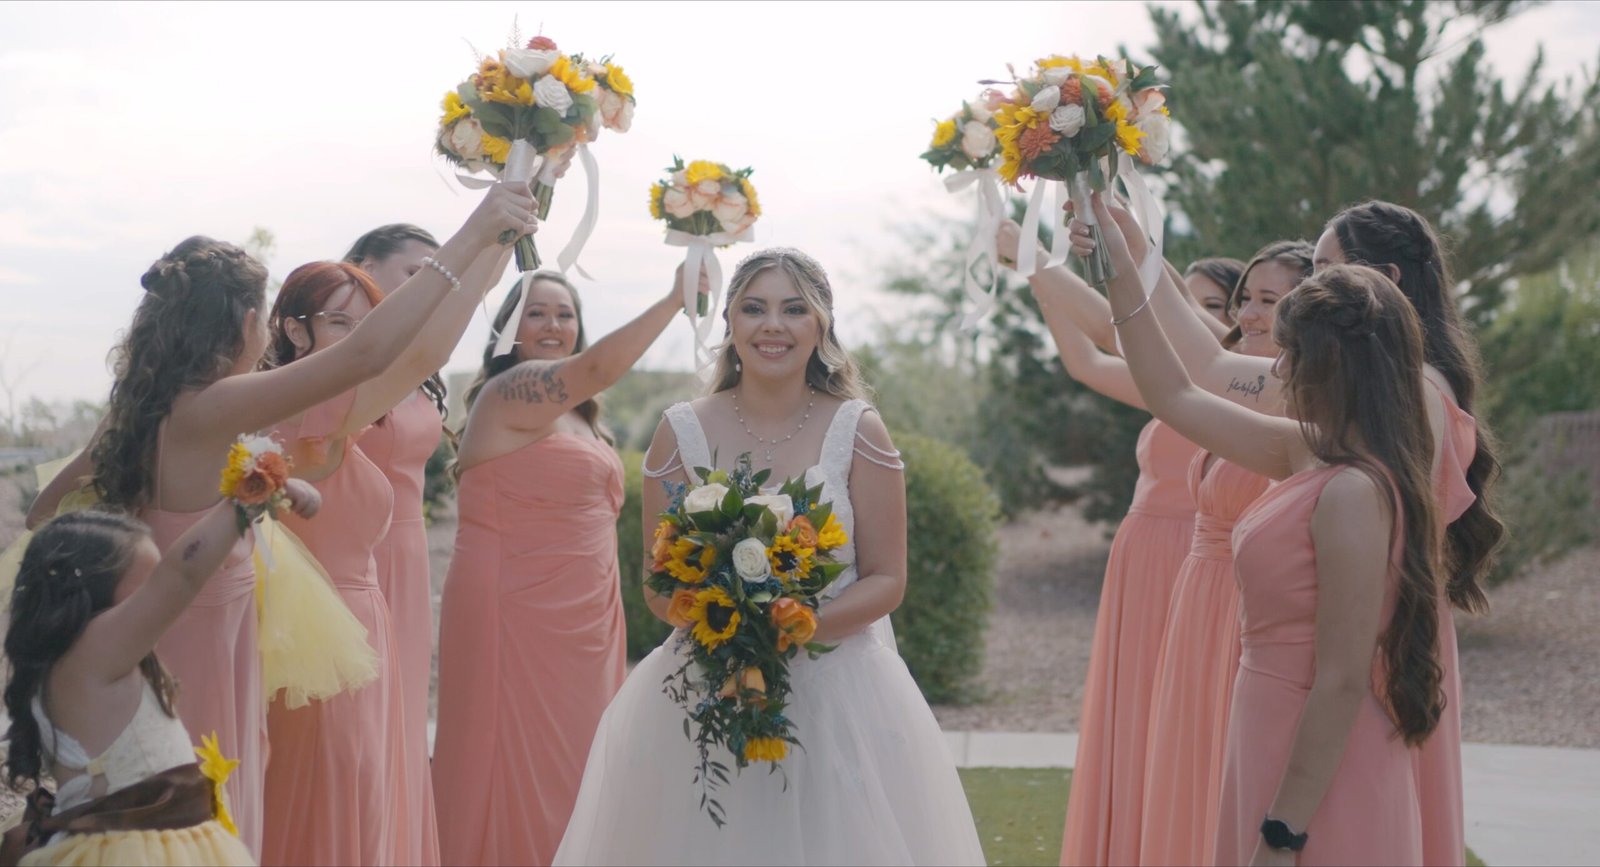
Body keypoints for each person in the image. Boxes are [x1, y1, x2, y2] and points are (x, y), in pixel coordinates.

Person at [21, 180, 530, 857]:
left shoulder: (143, 410)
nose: (264, 331)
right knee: (215, 815)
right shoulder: (216, 406)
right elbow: (366, 356)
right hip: (202, 641)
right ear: (235, 324)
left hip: (179, 631)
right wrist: (476, 231)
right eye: (260, 316)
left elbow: (42, 512)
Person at [553, 248, 983, 866]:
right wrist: (728, 629)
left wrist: (786, 630)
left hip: (842, 690)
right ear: (729, 321)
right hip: (706, 684)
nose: (772, 325)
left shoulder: (859, 429)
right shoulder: (681, 428)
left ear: (821, 325)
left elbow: (887, 579)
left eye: (793, 309)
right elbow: (657, 582)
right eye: (753, 308)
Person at [1078, 192, 1449, 865]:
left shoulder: (1355, 491)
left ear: (1334, 367)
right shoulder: (1306, 450)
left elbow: (1340, 679)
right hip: (1265, 728)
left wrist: (1284, 831)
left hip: (1317, 759)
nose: (1275, 371)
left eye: (1290, 356)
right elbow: (1178, 393)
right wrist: (1120, 265)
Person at [260, 196, 527, 865]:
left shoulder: (287, 398)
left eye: (364, 319)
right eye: (340, 320)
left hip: (367, 598)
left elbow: (428, 342)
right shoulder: (311, 403)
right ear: (295, 329)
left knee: (370, 767)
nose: (362, 331)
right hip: (325, 617)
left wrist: (509, 213)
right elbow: (427, 344)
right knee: (341, 776)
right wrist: (479, 228)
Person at [431, 267, 702, 866]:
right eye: (537, 312)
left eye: (565, 313)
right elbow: (601, 367)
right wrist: (672, 298)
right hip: (516, 610)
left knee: (582, 763)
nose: (553, 324)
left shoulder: (585, 418)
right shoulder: (509, 393)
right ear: (508, 328)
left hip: (587, 620)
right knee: (519, 760)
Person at [998, 220, 1203, 867]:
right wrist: (1034, 269)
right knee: (1140, 725)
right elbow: (1085, 359)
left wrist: (1031, 251)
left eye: (1209, 306)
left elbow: (1117, 331)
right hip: (1145, 561)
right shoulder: (1177, 389)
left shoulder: (1224, 380)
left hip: (1198, 556)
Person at [1316, 201, 1504, 867]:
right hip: (1387, 624)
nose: (1312, 288)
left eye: (1324, 269)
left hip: (1381, 633)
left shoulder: (1416, 390)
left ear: (1385, 278)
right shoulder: (1406, 381)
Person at [2, 481, 319, 867]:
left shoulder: (77, 659)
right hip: (133, 851)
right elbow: (181, 575)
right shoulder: (90, 653)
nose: (159, 605)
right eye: (145, 589)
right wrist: (246, 498)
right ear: (90, 592)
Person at [1138, 242, 1311, 866]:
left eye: (1270, 300)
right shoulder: (1244, 378)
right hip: (1199, 601)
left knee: (1226, 775)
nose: (1252, 314)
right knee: (1188, 769)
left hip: (1247, 609)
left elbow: (1189, 367)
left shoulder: (1296, 394)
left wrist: (1131, 255)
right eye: (1247, 300)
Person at [341, 222, 448, 867]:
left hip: (408, 559)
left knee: (404, 724)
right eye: (415, 274)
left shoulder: (421, 360)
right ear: (361, 266)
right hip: (352, 553)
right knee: (357, 731)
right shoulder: (334, 363)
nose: (427, 290)